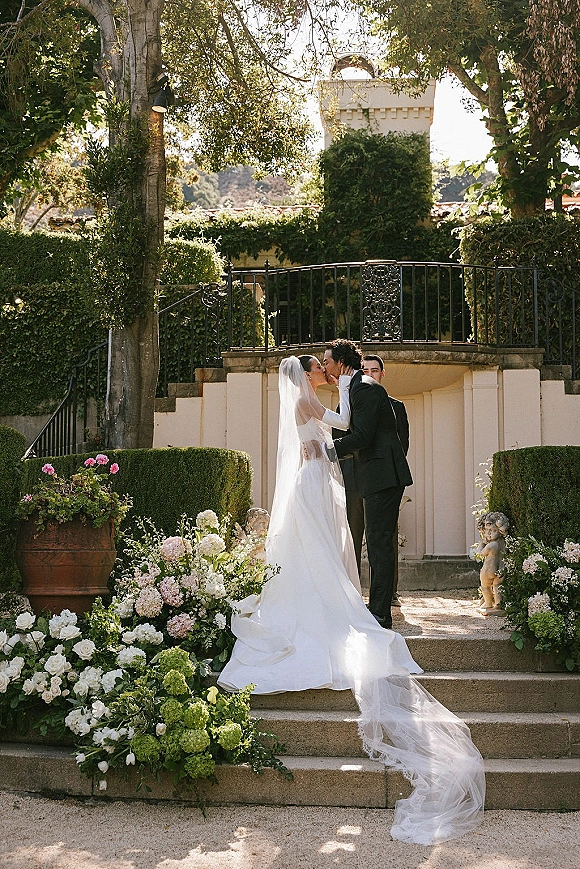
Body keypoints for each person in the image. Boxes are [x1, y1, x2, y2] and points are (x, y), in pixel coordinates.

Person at [219, 354, 485, 845]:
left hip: (322, 478)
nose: (321, 370)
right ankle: (342, 608)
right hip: (315, 478)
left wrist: (330, 434)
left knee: (329, 548)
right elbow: (329, 434)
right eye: (315, 367)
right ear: (306, 374)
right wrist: (328, 442)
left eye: (325, 364)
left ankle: (351, 604)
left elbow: (340, 429)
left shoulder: (336, 394)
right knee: (322, 550)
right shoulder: (308, 398)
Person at [324, 341, 409, 629]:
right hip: (372, 476)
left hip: (383, 477)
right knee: (376, 543)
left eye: (327, 361)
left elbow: (362, 437)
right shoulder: (353, 387)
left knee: (379, 544)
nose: (325, 366)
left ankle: (380, 614)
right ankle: (375, 610)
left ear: (341, 362)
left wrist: (325, 450)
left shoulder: (366, 387)